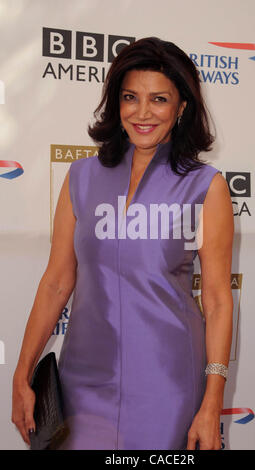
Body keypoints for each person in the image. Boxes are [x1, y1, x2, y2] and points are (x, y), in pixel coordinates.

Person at [12, 37, 233, 450]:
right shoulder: (81, 177)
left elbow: (219, 300)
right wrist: (21, 375)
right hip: (82, 383)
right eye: (131, 97)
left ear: (182, 107)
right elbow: (57, 283)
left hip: (168, 385)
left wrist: (212, 400)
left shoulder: (206, 187)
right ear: (116, 102)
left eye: (160, 99)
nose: (142, 112)